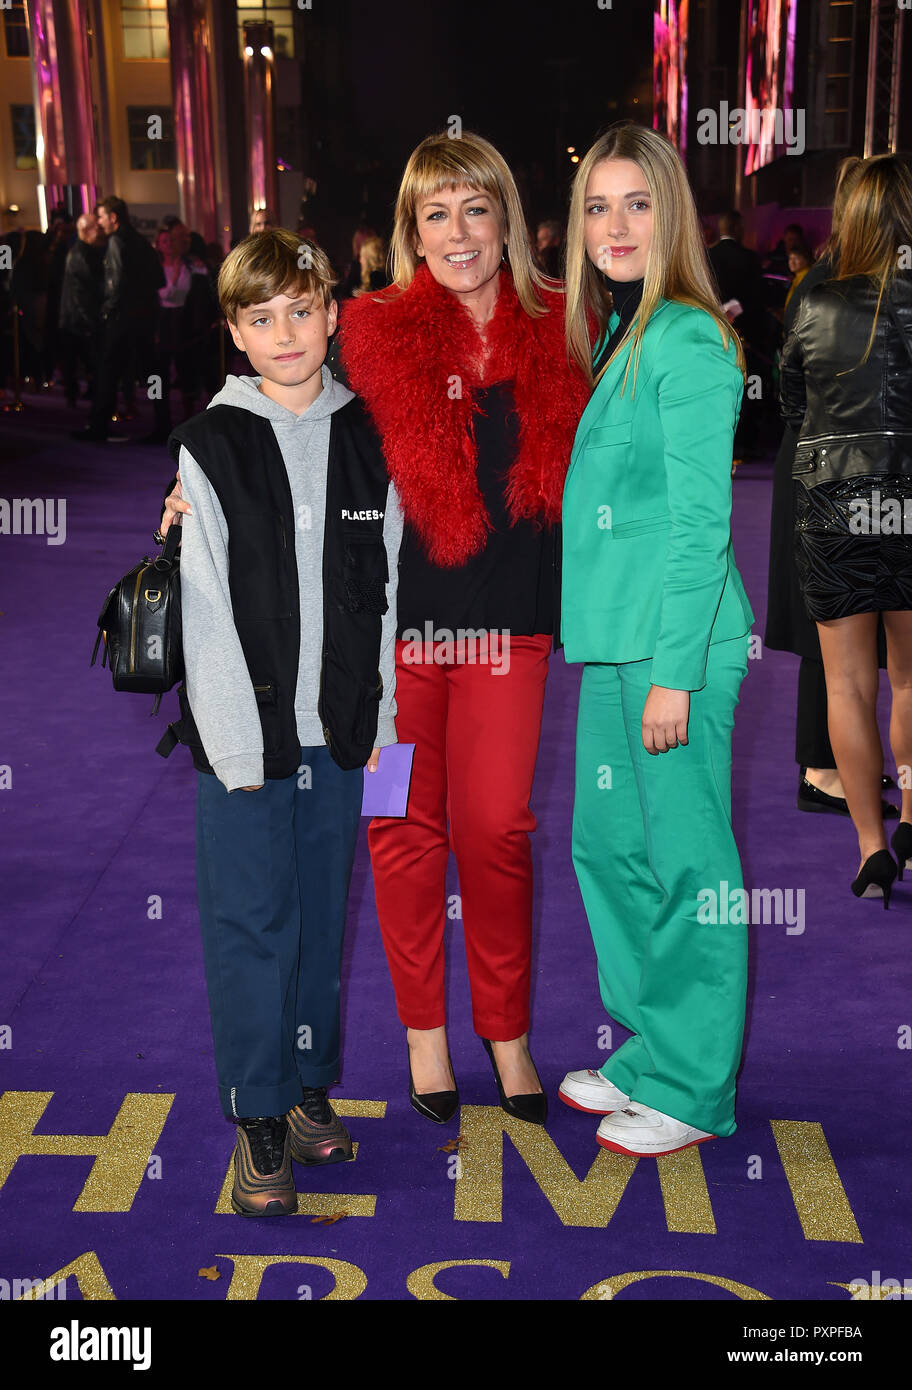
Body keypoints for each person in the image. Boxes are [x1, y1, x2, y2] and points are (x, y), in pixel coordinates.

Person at [163, 131, 589, 1127]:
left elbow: (608, 465)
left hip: (506, 634)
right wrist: (191, 501)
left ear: (507, 219)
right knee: (400, 833)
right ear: (408, 231)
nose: (457, 231)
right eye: (433, 212)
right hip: (392, 645)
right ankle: (423, 1037)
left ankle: (507, 1033)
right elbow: (287, 427)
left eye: (475, 208)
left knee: (496, 831)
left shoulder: (566, 325)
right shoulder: (371, 331)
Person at [160, 228, 403, 1214]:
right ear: (234, 332)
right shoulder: (209, 445)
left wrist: (385, 739)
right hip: (244, 745)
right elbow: (207, 608)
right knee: (251, 926)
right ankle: (257, 1118)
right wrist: (230, 750)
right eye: (262, 318)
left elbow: (384, 592)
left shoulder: (366, 436)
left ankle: (306, 1090)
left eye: (303, 310)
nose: (287, 332)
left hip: (340, 733)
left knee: (317, 918)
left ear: (334, 313)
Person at [559, 122, 754, 1156]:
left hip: (678, 650)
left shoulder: (685, 337)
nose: (616, 224)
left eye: (638, 203)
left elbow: (699, 527)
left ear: (670, 214)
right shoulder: (613, 333)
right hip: (612, 647)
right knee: (612, 851)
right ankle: (651, 1046)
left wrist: (674, 676)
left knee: (689, 866)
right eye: (598, 204)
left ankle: (692, 1084)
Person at [780, 155, 912, 907]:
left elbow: (792, 397)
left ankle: (870, 849)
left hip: (836, 505)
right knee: (911, 678)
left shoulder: (813, 299)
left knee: (848, 684)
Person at [73, 196, 166, 442]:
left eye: (101, 216)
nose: (99, 222)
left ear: (113, 218)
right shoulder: (141, 242)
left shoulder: (116, 242)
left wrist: (105, 312)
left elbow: (116, 285)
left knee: (108, 373)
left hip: (122, 321)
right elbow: (159, 279)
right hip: (145, 319)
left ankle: (98, 426)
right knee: (152, 375)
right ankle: (162, 421)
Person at [59, 211, 105, 408]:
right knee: (81, 362)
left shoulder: (88, 252)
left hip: (78, 319)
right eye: (97, 227)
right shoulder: (81, 254)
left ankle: (80, 396)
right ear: (86, 231)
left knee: (82, 363)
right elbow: (84, 293)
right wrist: (94, 321)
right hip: (78, 320)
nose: (102, 230)